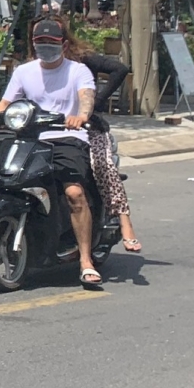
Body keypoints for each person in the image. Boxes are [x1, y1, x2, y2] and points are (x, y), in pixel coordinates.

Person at [0, 15, 105, 287]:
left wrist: (80, 116)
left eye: (51, 41)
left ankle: (85, 260)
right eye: (40, 41)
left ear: (63, 43)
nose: (45, 46)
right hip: (30, 138)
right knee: (6, 179)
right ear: (33, 43)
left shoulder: (77, 71)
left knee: (73, 192)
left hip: (68, 138)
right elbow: (5, 102)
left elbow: (86, 98)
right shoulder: (24, 71)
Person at [72, 41, 139, 254]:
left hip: (88, 125)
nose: (47, 45)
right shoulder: (36, 66)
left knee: (102, 163)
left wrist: (97, 103)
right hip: (50, 127)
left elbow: (120, 69)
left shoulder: (82, 61)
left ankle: (123, 217)